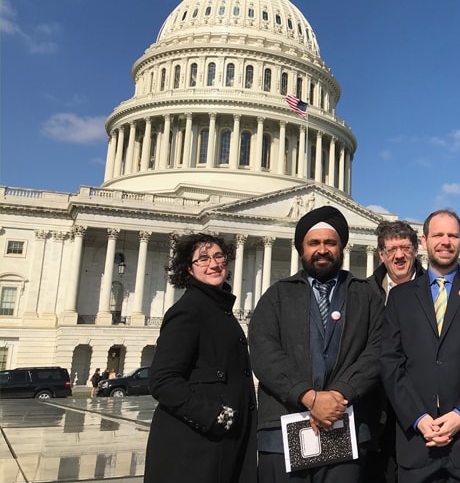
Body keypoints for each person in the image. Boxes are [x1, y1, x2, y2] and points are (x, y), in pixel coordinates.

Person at [249, 206, 384, 483]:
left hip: (343, 424)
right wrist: (308, 396)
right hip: (283, 428)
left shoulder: (365, 295)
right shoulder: (277, 295)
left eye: (330, 243)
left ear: (341, 247)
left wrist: (338, 395)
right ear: (302, 248)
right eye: (314, 243)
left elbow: (377, 351)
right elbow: (264, 353)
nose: (322, 249)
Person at [381, 209, 460, 483]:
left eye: (452, 235)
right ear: (424, 241)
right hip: (417, 445)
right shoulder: (400, 298)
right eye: (438, 235)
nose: (445, 241)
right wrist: (418, 417)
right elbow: (391, 364)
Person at [144, 233, 256, 483]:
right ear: (188, 269)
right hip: (195, 449)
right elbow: (162, 380)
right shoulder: (188, 311)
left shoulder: (216, 308)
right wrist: (216, 416)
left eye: (218, 256)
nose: (213, 264)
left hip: (215, 444)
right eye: (202, 259)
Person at [363, 220, 425, 483]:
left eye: (405, 247)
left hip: (420, 409)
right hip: (375, 410)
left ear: (416, 250)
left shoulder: (436, 290)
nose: (398, 255)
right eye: (391, 249)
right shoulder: (362, 292)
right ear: (381, 254)